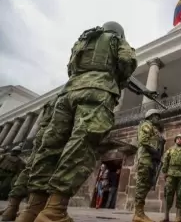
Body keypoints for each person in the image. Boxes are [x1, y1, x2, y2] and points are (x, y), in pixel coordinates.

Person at [15, 21, 137, 222]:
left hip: (68, 94)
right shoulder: (116, 40)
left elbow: (71, 66)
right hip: (97, 92)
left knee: (50, 147)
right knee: (82, 144)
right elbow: (127, 61)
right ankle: (54, 210)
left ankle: (32, 209)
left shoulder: (84, 39)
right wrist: (117, 79)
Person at [0, 98, 57, 221]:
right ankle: (33, 210)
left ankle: (12, 207)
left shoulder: (56, 98)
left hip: (43, 134)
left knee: (30, 168)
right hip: (56, 134)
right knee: (45, 167)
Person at [133, 109, 165, 222]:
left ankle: (140, 213)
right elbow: (143, 140)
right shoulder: (146, 125)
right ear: (150, 117)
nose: (158, 119)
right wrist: (154, 152)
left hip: (151, 160)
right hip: (146, 159)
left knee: (146, 185)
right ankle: (138, 213)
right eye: (156, 116)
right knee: (142, 184)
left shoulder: (155, 129)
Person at [161, 134, 181, 222]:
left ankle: (178, 216)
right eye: (178, 138)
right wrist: (165, 172)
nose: (179, 140)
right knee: (168, 194)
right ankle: (166, 216)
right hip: (171, 174)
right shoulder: (170, 150)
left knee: (180, 194)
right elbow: (165, 161)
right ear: (175, 140)